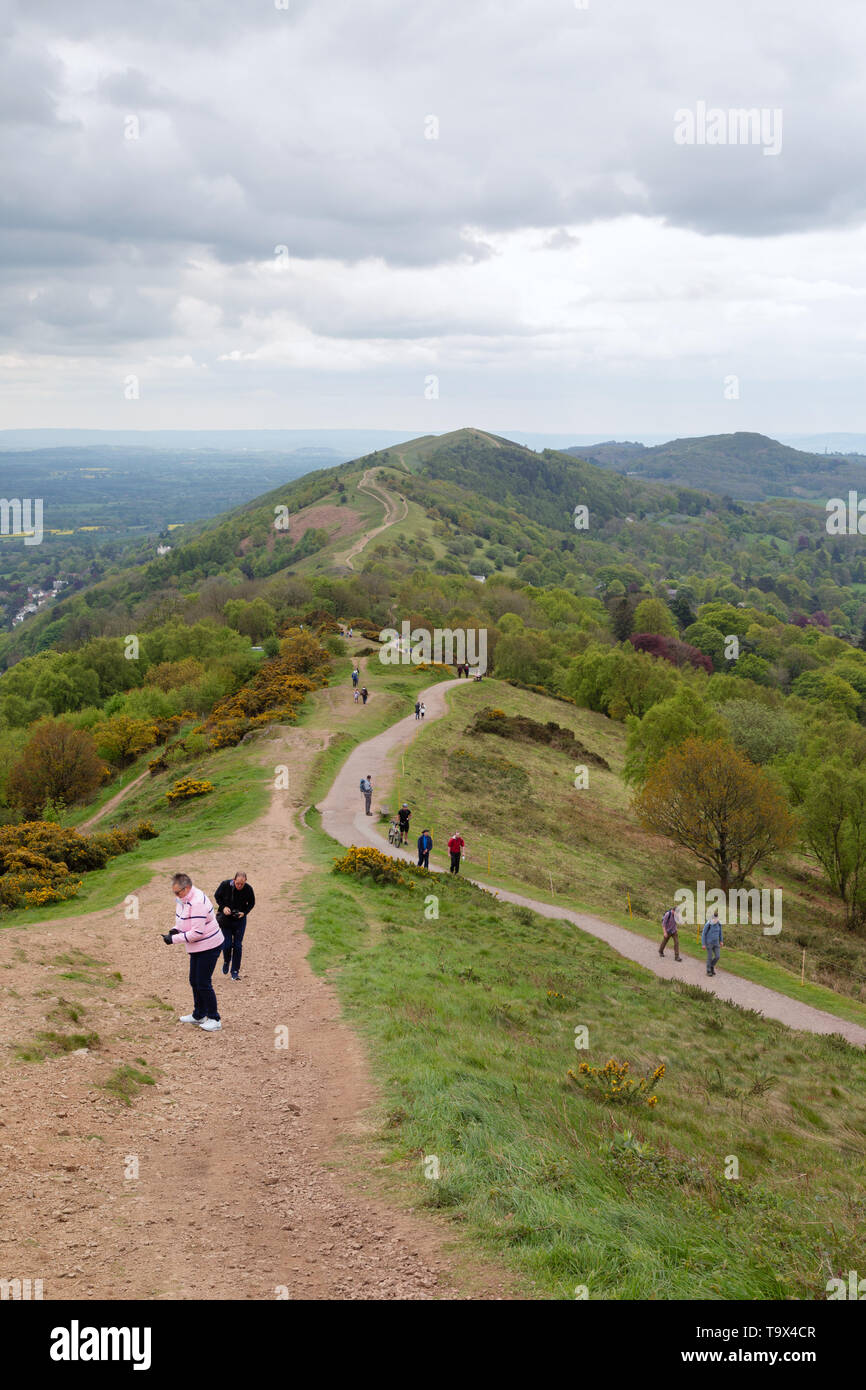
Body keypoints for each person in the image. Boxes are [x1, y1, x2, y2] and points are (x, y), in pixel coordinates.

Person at [162, 872, 225, 1031]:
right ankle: (199, 1015)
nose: (176, 895)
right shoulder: (184, 899)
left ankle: (214, 1019)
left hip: (209, 945)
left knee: (203, 982)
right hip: (197, 946)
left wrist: (173, 939)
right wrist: (175, 930)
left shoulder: (197, 902)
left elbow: (197, 933)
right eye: (174, 892)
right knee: (194, 980)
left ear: (187, 887)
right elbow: (183, 919)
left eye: (178, 892)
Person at [214, 871, 256, 981]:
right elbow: (217, 896)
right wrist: (223, 907)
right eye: (238, 883)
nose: (239, 886)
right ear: (234, 880)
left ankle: (235, 971)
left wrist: (244, 913)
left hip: (240, 920)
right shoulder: (225, 885)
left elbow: (252, 903)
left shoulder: (248, 889)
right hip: (226, 919)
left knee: (237, 946)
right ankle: (227, 960)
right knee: (227, 944)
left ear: (245, 881)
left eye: (242, 884)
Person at [701, 909, 723, 977]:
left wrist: (721, 941)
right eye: (715, 919)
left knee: (717, 956)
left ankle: (711, 966)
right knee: (710, 957)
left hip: (716, 943)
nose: (716, 920)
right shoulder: (708, 924)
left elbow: (720, 933)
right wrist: (703, 944)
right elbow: (704, 934)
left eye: (717, 919)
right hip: (709, 943)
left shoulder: (719, 924)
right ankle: (708, 970)